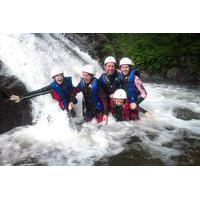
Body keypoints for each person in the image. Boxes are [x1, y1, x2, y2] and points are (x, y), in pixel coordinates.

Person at [10, 67, 77, 117]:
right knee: (70, 113)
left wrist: (71, 102)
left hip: (69, 98)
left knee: (73, 106)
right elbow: (37, 92)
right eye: (57, 76)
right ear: (54, 78)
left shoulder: (67, 82)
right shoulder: (51, 87)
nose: (60, 78)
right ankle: (69, 112)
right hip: (61, 100)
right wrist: (22, 97)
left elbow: (73, 91)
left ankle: (71, 108)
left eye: (61, 75)